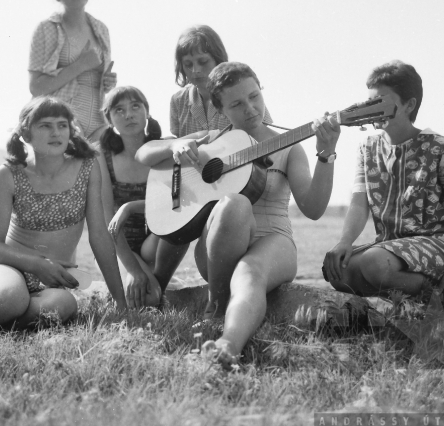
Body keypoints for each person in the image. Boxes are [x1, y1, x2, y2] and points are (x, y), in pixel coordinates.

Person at [137, 62, 340, 368]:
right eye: (236, 104)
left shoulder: (289, 149)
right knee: (235, 203)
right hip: (218, 249)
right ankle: (217, 303)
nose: (250, 108)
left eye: (254, 96)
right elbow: (144, 152)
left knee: (249, 271)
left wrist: (326, 153)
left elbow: (313, 209)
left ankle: (227, 344)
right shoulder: (212, 141)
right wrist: (176, 145)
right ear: (220, 108)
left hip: (274, 242)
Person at [323, 60, 444, 317]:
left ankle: (438, 301)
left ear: (409, 104)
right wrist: (344, 242)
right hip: (391, 248)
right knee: (337, 271)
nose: (371, 109)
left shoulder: (440, 148)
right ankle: (410, 307)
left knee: (373, 263)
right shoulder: (367, 149)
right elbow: (359, 205)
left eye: (380, 101)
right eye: (368, 102)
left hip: (438, 244)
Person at [0, 97, 127, 329]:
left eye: (62, 125)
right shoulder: (8, 173)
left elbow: (99, 235)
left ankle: (0, 319)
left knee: (62, 305)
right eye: (45, 125)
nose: (56, 132)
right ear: (26, 134)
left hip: (54, 280)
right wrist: (38, 265)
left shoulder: (88, 166)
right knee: (8, 298)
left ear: (70, 131)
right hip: (8, 267)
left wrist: (120, 301)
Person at [152, 25, 276, 291]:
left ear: (219, 59)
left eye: (202, 62)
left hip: (237, 191)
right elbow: (175, 145)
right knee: (170, 231)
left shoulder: (242, 96)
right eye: (188, 64)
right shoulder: (178, 101)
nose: (195, 70)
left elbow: (267, 142)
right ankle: (157, 290)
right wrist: (179, 145)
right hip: (196, 187)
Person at [28, 0, 117, 142]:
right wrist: (79, 65)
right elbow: (35, 87)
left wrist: (107, 82)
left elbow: (96, 81)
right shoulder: (47, 28)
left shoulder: (101, 29)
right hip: (60, 123)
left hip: (98, 121)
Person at [98, 86, 163, 310]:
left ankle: (161, 279)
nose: (129, 114)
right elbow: (108, 215)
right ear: (109, 119)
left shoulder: (163, 149)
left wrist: (130, 207)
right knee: (149, 299)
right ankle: (145, 278)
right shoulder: (103, 156)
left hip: (158, 241)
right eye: (119, 110)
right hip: (122, 244)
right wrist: (133, 270)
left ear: (147, 111)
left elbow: (173, 203)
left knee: (153, 296)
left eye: (135, 106)